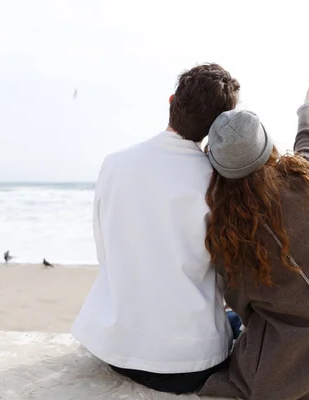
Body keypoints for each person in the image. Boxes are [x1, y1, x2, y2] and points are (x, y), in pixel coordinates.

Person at [71, 63, 240, 394]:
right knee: (237, 322)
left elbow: (104, 248)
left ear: (171, 100)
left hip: (116, 347)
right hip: (192, 361)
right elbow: (224, 270)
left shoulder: (114, 164)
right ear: (218, 124)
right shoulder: (216, 181)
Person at [198, 66, 309, 400]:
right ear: (267, 145)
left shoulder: (231, 231)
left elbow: (241, 304)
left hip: (280, 374)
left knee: (228, 324)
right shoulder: (308, 181)